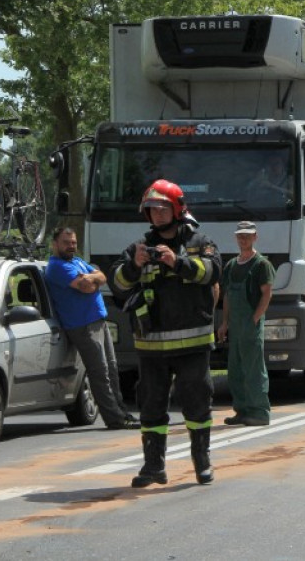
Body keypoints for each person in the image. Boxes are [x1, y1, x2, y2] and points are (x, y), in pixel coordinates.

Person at [110, 179, 222, 488]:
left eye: (163, 209)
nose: (157, 215)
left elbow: (213, 271)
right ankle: (153, 467)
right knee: (151, 405)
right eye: (152, 210)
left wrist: (177, 262)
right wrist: (134, 266)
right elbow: (117, 285)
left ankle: (202, 462)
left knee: (197, 402)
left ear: (177, 209)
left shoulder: (199, 242)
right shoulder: (138, 248)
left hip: (193, 344)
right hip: (152, 346)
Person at [44, 227, 139, 430]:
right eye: (66, 242)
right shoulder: (57, 267)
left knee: (112, 369)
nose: (71, 246)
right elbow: (87, 287)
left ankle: (122, 412)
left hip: (99, 321)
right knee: (100, 372)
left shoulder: (77, 261)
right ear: (55, 244)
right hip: (82, 325)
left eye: (73, 242)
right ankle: (114, 419)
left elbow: (103, 277)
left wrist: (92, 278)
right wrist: (92, 279)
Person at [218, 221, 275, 427]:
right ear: (236, 238)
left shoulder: (261, 265)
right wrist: (225, 323)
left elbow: (267, 293)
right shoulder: (231, 265)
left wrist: (255, 318)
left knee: (254, 370)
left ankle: (259, 413)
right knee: (236, 370)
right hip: (235, 326)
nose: (243, 239)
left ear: (255, 237)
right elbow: (227, 296)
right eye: (240, 236)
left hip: (250, 324)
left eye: (248, 236)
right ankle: (242, 411)